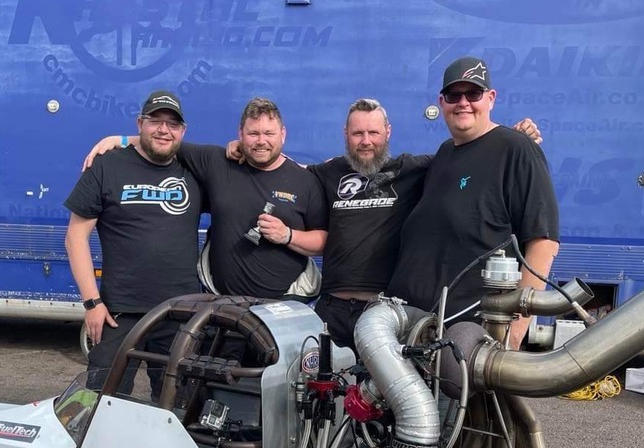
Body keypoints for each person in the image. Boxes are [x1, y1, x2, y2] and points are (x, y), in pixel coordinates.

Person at [224, 99, 540, 353]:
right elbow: (282, 167)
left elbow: (467, 157)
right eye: (357, 134)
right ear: (346, 134)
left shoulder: (412, 169)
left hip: (382, 310)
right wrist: (243, 148)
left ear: (387, 132)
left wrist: (511, 139)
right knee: (315, 392)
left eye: (373, 133)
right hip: (331, 309)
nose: (366, 142)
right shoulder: (328, 173)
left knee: (377, 398)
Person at [385, 56, 560, 350]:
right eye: (454, 95)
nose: (463, 103)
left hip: (468, 340)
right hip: (417, 333)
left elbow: (543, 242)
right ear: (441, 102)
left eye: (473, 94)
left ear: (491, 98)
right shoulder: (445, 153)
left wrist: (513, 332)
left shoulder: (516, 149)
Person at [84, 98, 328, 301]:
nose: (261, 141)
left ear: (282, 134)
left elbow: (323, 241)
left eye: (269, 133)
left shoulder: (304, 180)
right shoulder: (216, 161)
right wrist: (121, 140)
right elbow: (166, 142)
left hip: (284, 304)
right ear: (240, 134)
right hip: (221, 304)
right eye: (253, 133)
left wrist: (287, 235)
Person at [64, 89, 202, 398]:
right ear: (140, 124)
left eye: (172, 124)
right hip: (118, 313)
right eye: (155, 121)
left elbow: (242, 160)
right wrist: (92, 303)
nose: (164, 130)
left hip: (180, 312)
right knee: (102, 401)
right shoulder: (107, 166)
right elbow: (75, 237)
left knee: (177, 405)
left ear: (183, 131)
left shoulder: (195, 169)